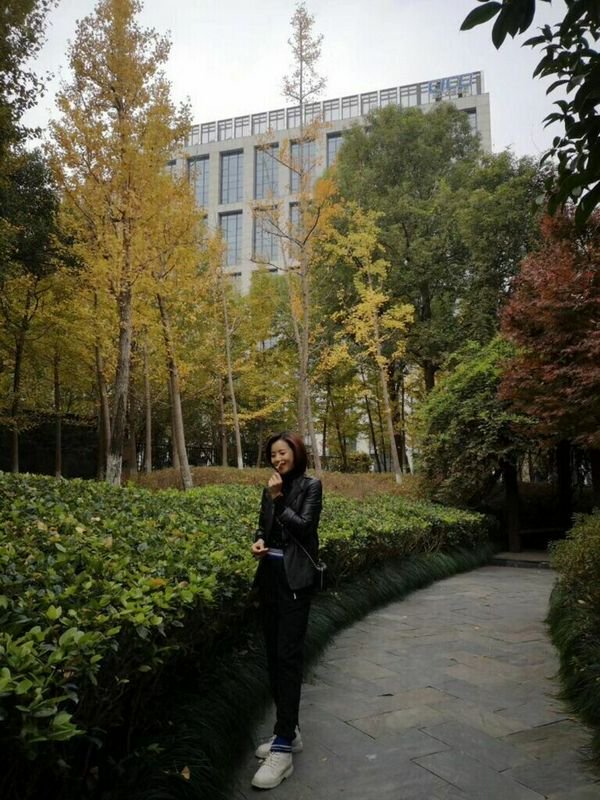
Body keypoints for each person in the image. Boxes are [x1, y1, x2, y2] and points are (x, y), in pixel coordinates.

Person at [250, 431, 323, 790]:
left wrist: (279, 499)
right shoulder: (269, 488)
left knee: (288, 658)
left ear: (296, 452)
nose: (278, 459)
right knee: (273, 658)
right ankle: (289, 732)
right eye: (273, 454)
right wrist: (259, 541)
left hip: (295, 583)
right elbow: (264, 527)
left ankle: (282, 749)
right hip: (270, 579)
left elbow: (304, 529)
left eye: (283, 453)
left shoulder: (311, 486)